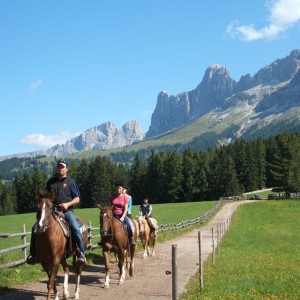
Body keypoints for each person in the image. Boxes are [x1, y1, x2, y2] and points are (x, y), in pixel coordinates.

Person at [26, 159, 86, 265]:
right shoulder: (51, 182)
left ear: (66, 169)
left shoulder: (71, 182)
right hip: (52, 211)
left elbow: (77, 199)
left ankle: (81, 253)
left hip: (66, 211)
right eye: (59, 167)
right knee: (35, 228)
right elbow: (46, 195)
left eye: (62, 167)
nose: (60, 169)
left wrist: (67, 204)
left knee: (75, 228)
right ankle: (33, 254)